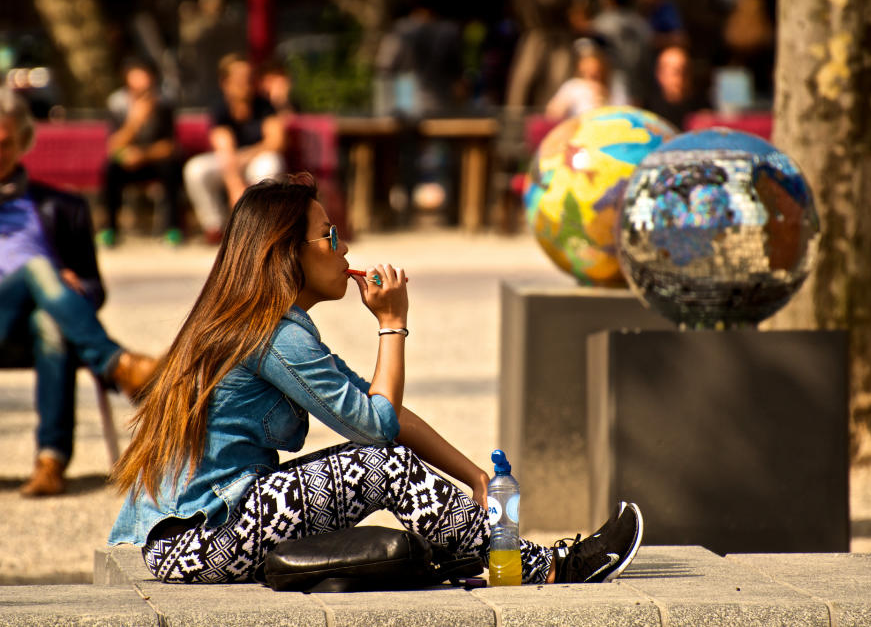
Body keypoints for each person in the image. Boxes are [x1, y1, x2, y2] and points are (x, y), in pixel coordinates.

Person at [108, 173, 644, 585]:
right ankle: (544, 567)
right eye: (329, 235)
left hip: (204, 534)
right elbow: (375, 430)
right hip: (203, 540)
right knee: (380, 465)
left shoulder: (263, 325)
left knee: (382, 462)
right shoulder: (273, 335)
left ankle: (478, 549)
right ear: (285, 253)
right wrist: (392, 324)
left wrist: (476, 477)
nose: (344, 248)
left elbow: (378, 407)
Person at [0, 88, 157, 496]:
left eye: (3, 142)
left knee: (50, 321)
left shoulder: (61, 206)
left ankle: (50, 461)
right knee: (38, 267)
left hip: (36, 326)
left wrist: (74, 285)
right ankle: (118, 365)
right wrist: (48, 276)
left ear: (22, 141)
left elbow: (93, 287)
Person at [183, 54, 285, 244]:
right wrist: (235, 187)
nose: (245, 83)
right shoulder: (220, 108)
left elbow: (276, 141)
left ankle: (261, 225)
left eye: (248, 77)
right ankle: (215, 226)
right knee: (195, 170)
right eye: (239, 78)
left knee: (270, 164)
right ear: (225, 82)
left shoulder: (264, 105)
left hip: (254, 158)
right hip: (228, 161)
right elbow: (225, 149)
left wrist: (246, 156)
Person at [100, 58, 182, 247]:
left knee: (171, 169)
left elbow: (170, 146)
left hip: (155, 159)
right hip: (128, 160)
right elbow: (113, 146)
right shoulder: (117, 103)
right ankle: (110, 229)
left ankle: (173, 228)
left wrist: (143, 154)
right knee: (111, 170)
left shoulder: (163, 103)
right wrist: (135, 121)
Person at [545, 39, 630, 120]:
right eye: (588, 70)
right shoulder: (573, 86)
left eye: (597, 71)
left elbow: (625, 110)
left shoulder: (614, 84)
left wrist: (605, 96)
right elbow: (553, 112)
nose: (592, 74)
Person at [643, 45, 708, 129]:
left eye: (686, 70)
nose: (682, 77)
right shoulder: (647, 110)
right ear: (660, 74)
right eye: (676, 72)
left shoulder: (701, 108)